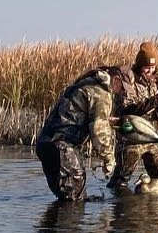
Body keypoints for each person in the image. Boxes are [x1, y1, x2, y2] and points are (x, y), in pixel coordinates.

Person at [105, 41, 158, 191]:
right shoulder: (128, 81)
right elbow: (130, 111)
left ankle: (154, 211)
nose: (150, 70)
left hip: (153, 138)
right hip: (131, 138)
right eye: (147, 67)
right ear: (139, 65)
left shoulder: (157, 80)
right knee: (120, 182)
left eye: (153, 67)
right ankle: (119, 207)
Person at [35, 68, 115, 202]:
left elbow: (74, 116)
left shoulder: (81, 86)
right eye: (123, 88)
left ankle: (52, 223)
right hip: (64, 147)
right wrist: (108, 159)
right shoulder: (101, 93)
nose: (122, 93)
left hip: (45, 145)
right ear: (116, 79)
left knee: (68, 198)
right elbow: (98, 130)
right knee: (73, 202)